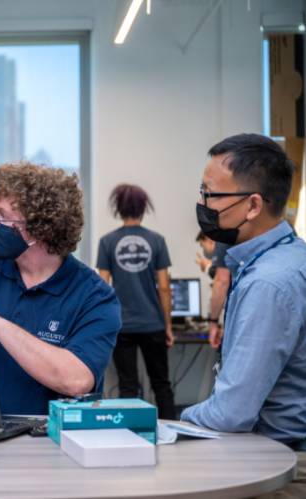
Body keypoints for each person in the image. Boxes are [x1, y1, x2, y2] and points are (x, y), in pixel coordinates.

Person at [0, 161, 121, 415]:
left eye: (3, 216)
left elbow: (77, 380)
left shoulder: (94, 296)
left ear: (40, 228)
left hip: (54, 441)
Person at [181, 133, 306, 498]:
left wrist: (170, 423)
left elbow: (231, 414)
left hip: (281, 467)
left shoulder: (269, 283)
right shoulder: (286, 259)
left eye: (211, 194)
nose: (202, 204)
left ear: (253, 205)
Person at [96, 184, 176, 419]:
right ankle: (171, 432)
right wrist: (168, 325)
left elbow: (103, 288)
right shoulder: (157, 240)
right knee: (161, 384)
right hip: (153, 324)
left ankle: (129, 434)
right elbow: (164, 287)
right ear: (143, 209)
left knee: (128, 386)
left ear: (119, 210)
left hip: (122, 326)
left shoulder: (107, 242)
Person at [194, 231, 231, 348]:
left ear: (209, 239)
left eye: (202, 245)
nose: (203, 250)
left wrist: (213, 322)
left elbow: (221, 279)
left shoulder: (222, 242)